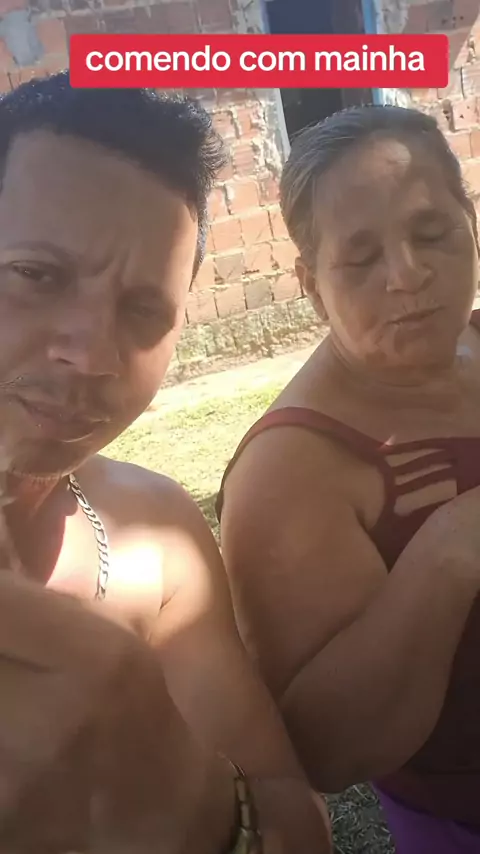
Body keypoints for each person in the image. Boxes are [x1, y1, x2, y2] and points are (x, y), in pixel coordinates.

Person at [0, 71, 331, 852]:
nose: (92, 355)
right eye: (35, 275)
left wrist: (180, 785)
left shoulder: (155, 536)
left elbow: (299, 821)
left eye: (144, 310)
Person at [219, 104, 480, 853]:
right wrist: (447, 553)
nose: (408, 275)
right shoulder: (291, 470)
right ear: (310, 283)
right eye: (361, 259)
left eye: (432, 232)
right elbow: (327, 749)